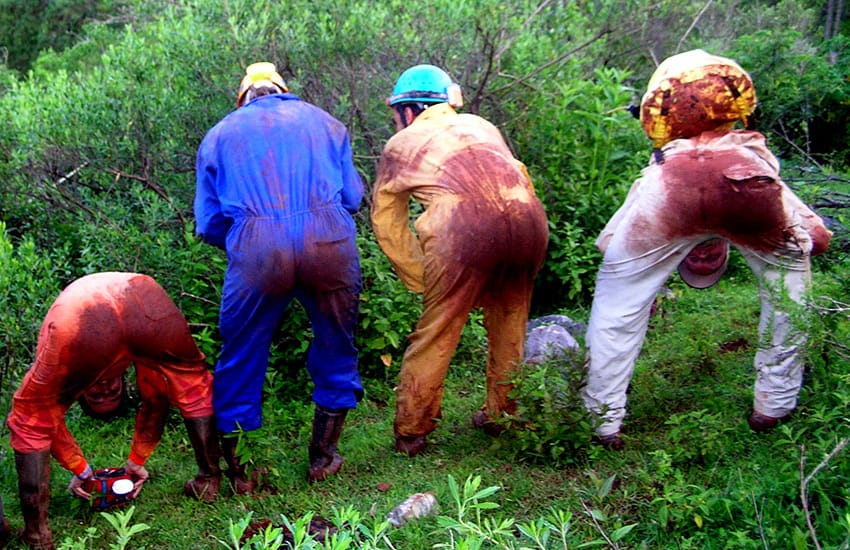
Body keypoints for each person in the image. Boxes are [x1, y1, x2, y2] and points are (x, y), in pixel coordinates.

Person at [581, 50, 833, 450]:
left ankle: (601, 421)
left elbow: (609, 246)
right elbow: (819, 239)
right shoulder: (747, 145)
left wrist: (633, 276)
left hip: (669, 183)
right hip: (746, 176)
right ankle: (774, 406)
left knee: (615, 308)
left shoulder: (660, 157)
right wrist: (792, 247)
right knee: (788, 293)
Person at [194, 62, 364, 489]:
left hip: (257, 250)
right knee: (336, 344)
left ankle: (243, 474)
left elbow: (209, 224)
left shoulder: (218, 135)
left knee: (242, 355)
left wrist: (251, 241)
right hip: (329, 243)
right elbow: (354, 197)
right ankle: (323, 458)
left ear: (242, 98)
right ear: (284, 91)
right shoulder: (327, 123)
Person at [371, 64, 550, 456]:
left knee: (437, 330)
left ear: (409, 108)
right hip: (529, 223)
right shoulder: (482, 126)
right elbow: (519, 174)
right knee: (511, 323)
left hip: (463, 233)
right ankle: (504, 413)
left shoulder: (402, 143)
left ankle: (412, 431)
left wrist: (420, 276)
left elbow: (387, 218)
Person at [6, 272, 221, 549]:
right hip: (140, 299)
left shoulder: (66, 346)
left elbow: (155, 400)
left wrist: (136, 460)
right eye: (99, 393)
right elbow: (51, 419)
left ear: (125, 381)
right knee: (192, 382)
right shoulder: (73, 361)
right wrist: (82, 470)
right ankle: (209, 479)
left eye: (110, 390)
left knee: (29, 417)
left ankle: (36, 534)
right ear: (82, 392)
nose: (105, 389)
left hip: (97, 308)